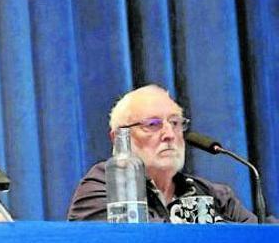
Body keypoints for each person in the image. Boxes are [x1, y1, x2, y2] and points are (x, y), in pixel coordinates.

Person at [67, 85, 255, 223]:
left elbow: (262, 241)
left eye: (175, 123)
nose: (169, 134)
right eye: (152, 125)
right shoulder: (102, 186)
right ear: (119, 137)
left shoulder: (214, 194)